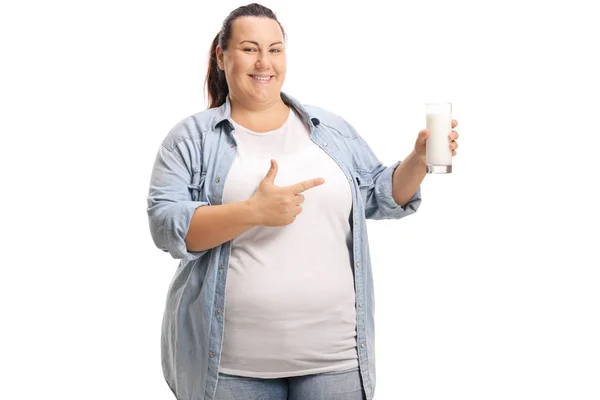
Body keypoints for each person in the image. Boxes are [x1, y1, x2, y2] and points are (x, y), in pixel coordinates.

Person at [146, 3, 459, 400]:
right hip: (229, 368)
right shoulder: (191, 138)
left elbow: (378, 194)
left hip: (336, 360)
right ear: (222, 57)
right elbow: (165, 223)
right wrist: (252, 212)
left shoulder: (328, 129)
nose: (264, 61)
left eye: (275, 49)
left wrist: (418, 160)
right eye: (249, 48)